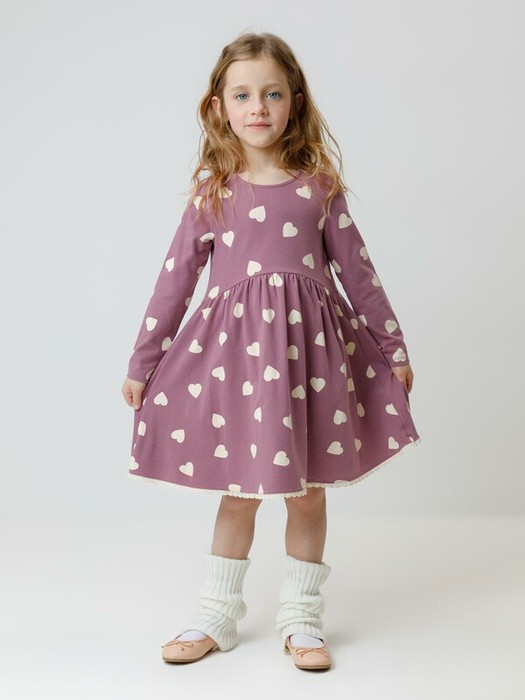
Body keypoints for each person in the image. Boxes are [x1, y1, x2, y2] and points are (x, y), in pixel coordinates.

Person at [121, 31, 421, 671]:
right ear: (220, 107)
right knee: (239, 492)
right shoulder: (214, 193)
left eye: (272, 93)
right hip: (239, 368)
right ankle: (216, 614)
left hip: (311, 366)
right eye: (242, 95)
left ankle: (302, 618)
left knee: (307, 492)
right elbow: (174, 282)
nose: (257, 106)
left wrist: (392, 349)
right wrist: (143, 362)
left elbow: (360, 277)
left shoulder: (320, 190)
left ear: (294, 102)